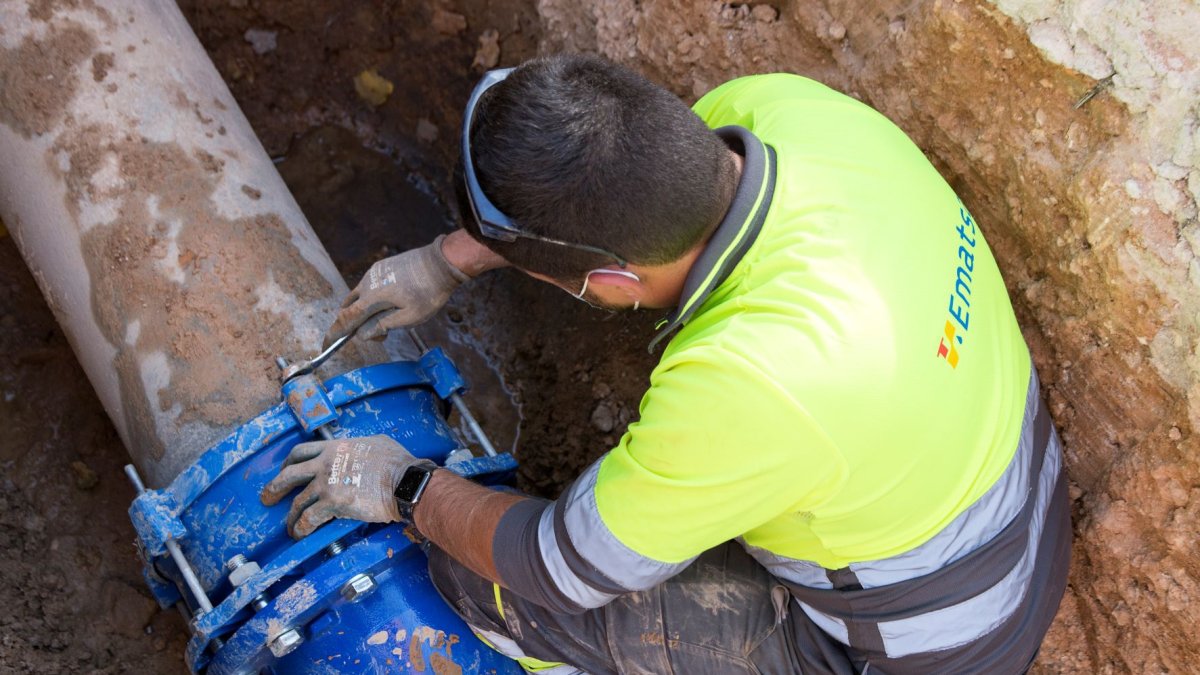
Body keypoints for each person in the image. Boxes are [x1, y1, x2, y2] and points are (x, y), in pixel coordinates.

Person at [260, 54, 1070, 674]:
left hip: (936, 643)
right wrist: (449, 259)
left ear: (609, 279)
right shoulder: (786, 112)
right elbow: (623, 188)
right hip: (1012, 507)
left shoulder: (753, 381)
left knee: (482, 582)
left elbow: (559, 567)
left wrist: (406, 487)